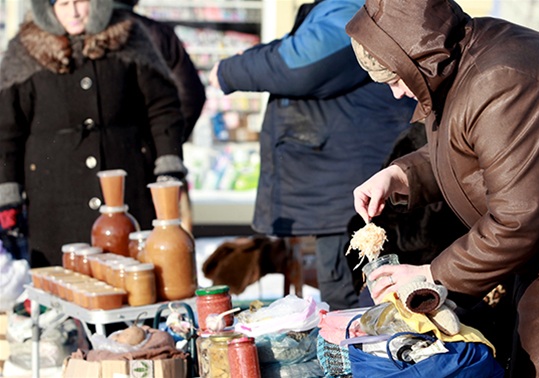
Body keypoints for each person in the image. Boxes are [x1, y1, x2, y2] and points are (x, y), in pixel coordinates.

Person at [345, 0, 539, 376]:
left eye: (395, 79)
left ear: (414, 57)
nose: (397, 94)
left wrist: (431, 276)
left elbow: (518, 221)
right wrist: (403, 175)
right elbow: (473, 150)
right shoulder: (461, 60)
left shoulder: (500, 79)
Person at [208, 0, 416, 310]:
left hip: (352, 184)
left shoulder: (350, 8)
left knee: (356, 300)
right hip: (347, 182)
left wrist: (229, 70)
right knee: (354, 294)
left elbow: (302, 64)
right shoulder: (344, 7)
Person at [0, 0, 188, 268]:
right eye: (63, 4)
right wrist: (7, 192)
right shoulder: (24, 50)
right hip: (54, 196)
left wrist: (168, 164)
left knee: (133, 277)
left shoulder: (129, 36)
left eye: (80, 2)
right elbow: (7, 129)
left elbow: (163, 107)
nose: (74, 12)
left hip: (128, 184)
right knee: (64, 284)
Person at [113, 0, 207, 232]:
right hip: (158, 159)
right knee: (163, 240)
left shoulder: (85, 34)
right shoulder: (158, 32)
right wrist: (168, 140)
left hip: (112, 156)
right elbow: (191, 94)